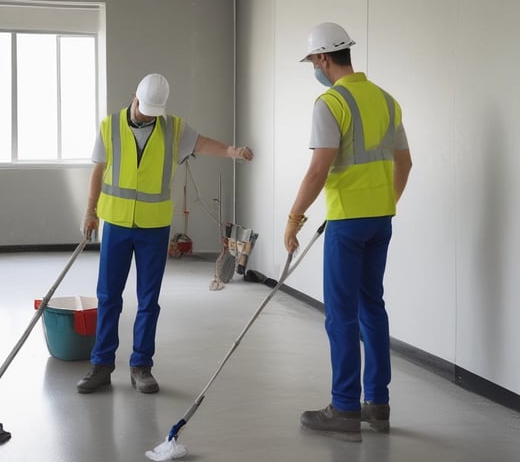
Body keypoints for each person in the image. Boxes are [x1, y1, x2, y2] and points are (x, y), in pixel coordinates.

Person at [78, 73, 253, 394]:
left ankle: (141, 366)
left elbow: (202, 143)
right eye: (144, 109)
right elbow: (98, 170)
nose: (148, 116)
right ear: (135, 98)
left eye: (154, 112)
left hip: (153, 227)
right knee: (108, 297)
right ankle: (101, 365)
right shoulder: (110, 126)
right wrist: (90, 211)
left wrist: (233, 151)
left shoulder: (173, 127)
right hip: (115, 223)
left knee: (149, 300)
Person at [284, 23, 412, 441]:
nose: (314, 70)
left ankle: (343, 408)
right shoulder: (387, 101)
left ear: (322, 59)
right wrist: (385, 203)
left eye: (313, 62)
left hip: (346, 223)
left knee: (341, 315)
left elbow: (319, 169)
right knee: (372, 306)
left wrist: (294, 217)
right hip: (381, 219)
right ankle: (377, 404)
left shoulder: (330, 102)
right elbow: (404, 164)